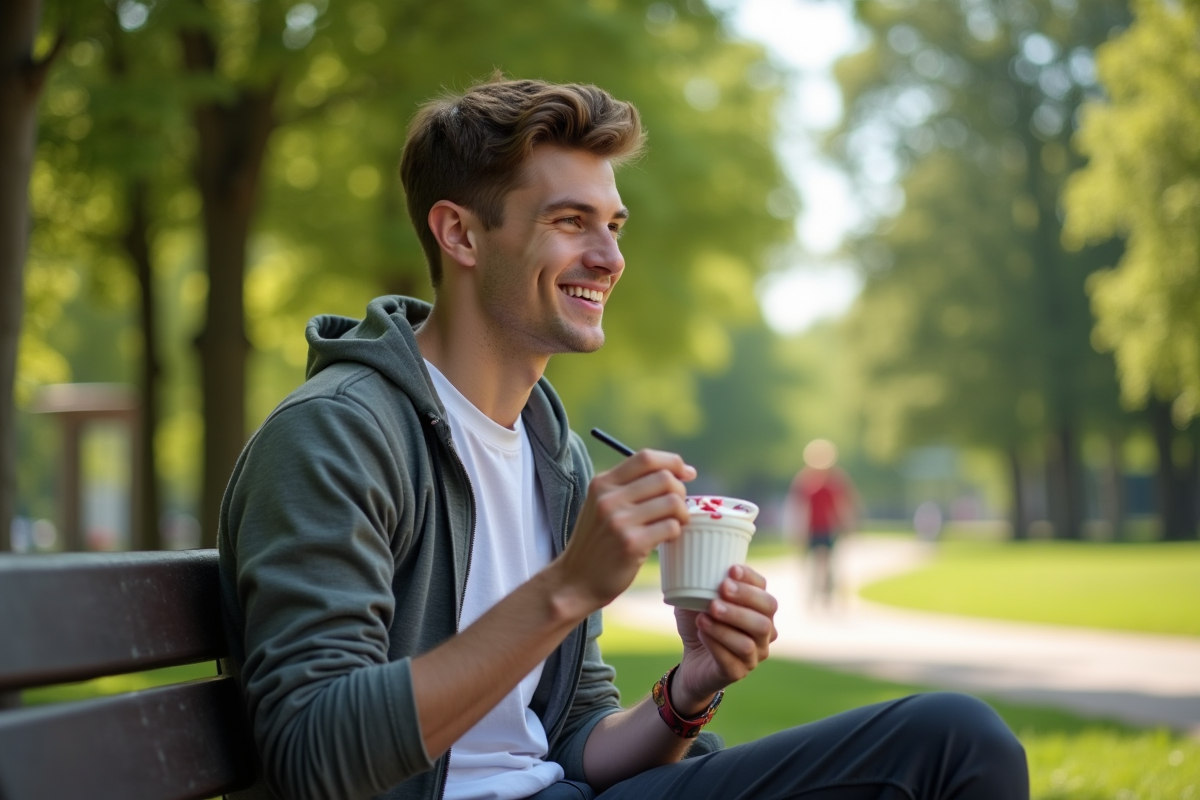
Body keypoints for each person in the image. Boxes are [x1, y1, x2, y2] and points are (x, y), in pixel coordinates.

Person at [217, 78, 1028, 800]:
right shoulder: (338, 436)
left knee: (957, 741)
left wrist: (691, 688)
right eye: (572, 222)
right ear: (460, 235)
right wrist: (568, 588)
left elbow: (573, 740)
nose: (609, 258)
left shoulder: (553, 452)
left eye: (614, 225)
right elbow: (311, 753)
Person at [787, 439, 858, 608]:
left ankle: (831, 596)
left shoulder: (836, 480)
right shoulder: (804, 480)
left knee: (830, 564)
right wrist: (797, 531)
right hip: (811, 529)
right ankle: (812, 596)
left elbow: (843, 505)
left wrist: (847, 525)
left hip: (829, 529)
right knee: (812, 564)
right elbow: (798, 508)